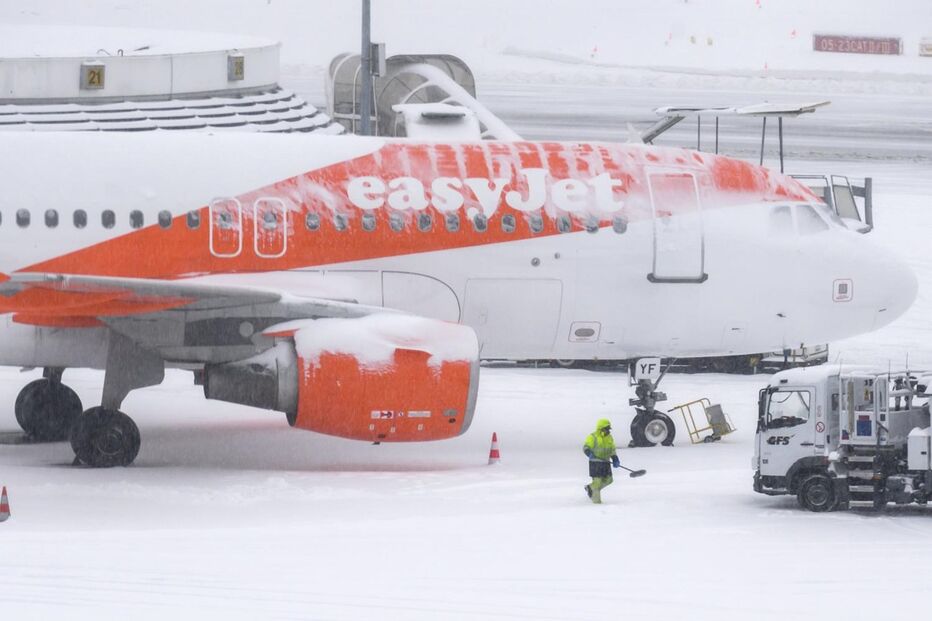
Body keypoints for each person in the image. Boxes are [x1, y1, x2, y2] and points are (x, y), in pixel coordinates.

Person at [583, 418, 621, 504]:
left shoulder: (609, 437)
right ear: (600, 428)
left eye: (609, 428)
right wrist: (589, 453)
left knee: (609, 480)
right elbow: (585, 447)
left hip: (606, 462)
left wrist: (615, 458)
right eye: (606, 428)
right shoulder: (592, 437)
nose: (608, 430)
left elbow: (612, 449)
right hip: (595, 463)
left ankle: (590, 488)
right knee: (597, 483)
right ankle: (597, 504)